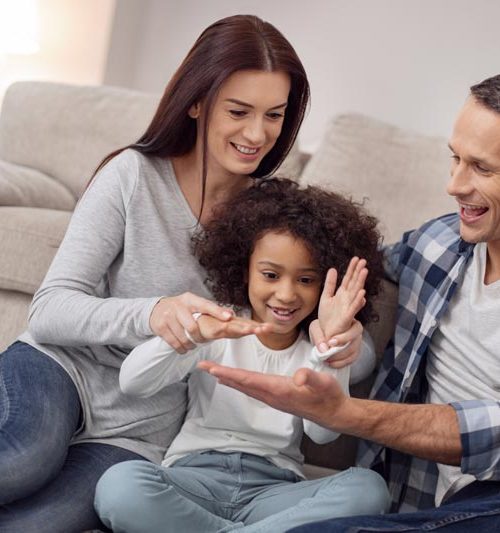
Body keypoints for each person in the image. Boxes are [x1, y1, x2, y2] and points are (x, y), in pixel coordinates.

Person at [0, 15, 348, 533]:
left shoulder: (270, 219)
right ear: (196, 103)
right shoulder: (133, 175)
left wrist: (345, 335)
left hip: (142, 426)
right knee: (23, 459)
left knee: (36, 525)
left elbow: (304, 310)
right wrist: (155, 313)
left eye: (274, 115)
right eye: (239, 111)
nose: (258, 134)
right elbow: (50, 309)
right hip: (63, 368)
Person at [202, 73, 500, 532]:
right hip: (431, 505)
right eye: (455, 159)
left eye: (481, 168)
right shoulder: (439, 244)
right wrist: (334, 327)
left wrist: (346, 413)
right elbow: (338, 267)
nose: (455, 185)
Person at [93, 177, 390, 533]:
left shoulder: (318, 349)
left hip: (275, 492)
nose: (285, 294)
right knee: (119, 485)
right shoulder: (217, 327)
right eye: (270, 275)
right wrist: (190, 334)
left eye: (306, 280)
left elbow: (322, 435)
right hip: (194, 480)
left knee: (369, 488)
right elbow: (133, 382)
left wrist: (327, 347)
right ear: (243, 268)